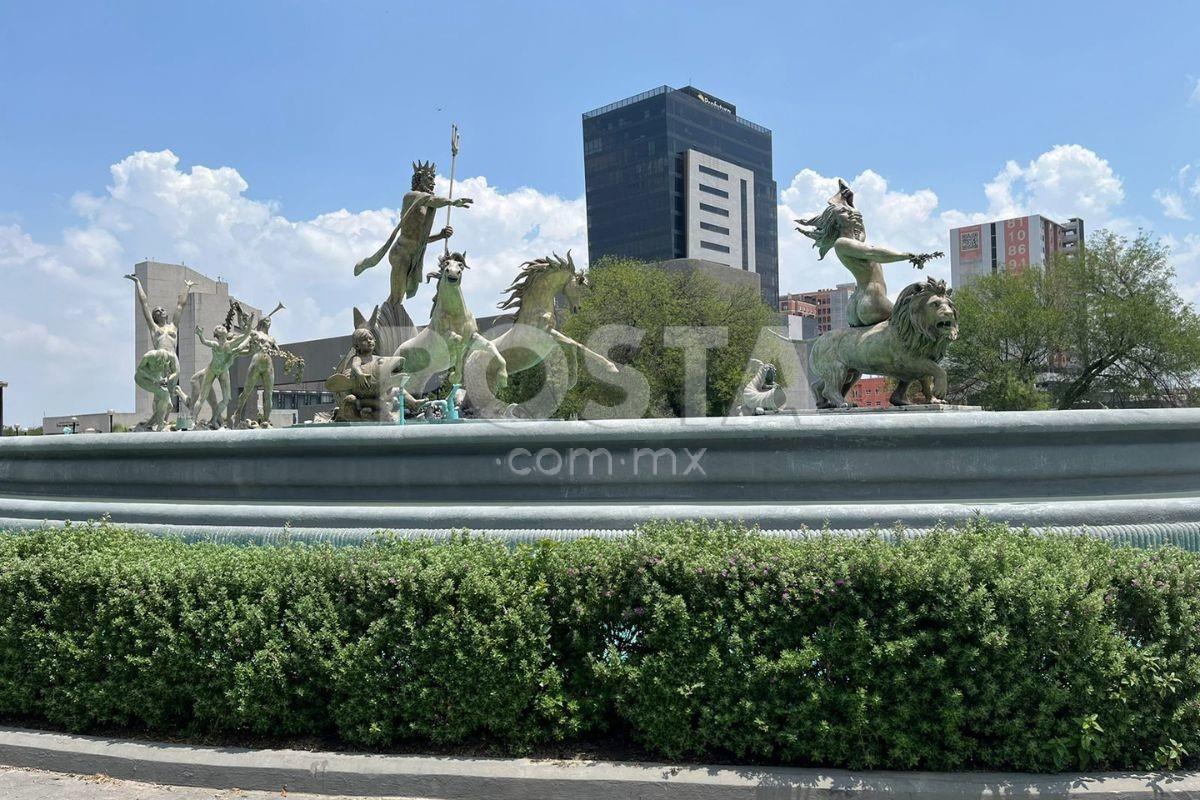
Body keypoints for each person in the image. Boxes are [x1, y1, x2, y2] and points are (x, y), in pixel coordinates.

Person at [795, 180, 942, 327]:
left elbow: (859, 226)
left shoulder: (854, 241)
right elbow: (873, 252)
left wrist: (849, 202)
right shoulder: (842, 243)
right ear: (836, 222)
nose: (851, 214)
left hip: (860, 302)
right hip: (871, 299)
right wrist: (908, 255)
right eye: (844, 212)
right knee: (913, 323)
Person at [352, 160, 474, 305]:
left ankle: (391, 318)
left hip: (414, 256)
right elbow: (433, 200)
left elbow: (421, 239)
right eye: (429, 179)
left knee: (400, 297)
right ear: (419, 180)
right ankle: (384, 319)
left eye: (433, 180)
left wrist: (441, 235)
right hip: (401, 253)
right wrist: (452, 202)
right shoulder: (411, 197)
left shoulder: (427, 207)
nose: (433, 183)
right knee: (396, 298)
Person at [126, 274, 194, 431]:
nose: (159, 311)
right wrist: (138, 282)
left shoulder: (173, 327)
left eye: (162, 310)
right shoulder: (154, 329)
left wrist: (187, 287)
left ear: (166, 314)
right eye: (156, 311)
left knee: (168, 392)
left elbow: (180, 305)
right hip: (159, 361)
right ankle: (157, 422)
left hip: (172, 360)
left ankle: (158, 422)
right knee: (161, 395)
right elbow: (144, 304)